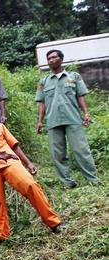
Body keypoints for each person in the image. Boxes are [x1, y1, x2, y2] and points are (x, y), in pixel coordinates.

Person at [0, 105, 64, 243]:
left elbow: (15, 146)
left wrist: (28, 163)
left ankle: (54, 222)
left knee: (30, 185)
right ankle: (3, 236)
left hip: (9, 163)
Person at [35, 49, 100, 188]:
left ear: (61, 59)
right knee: (57, 154)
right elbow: (42, 103)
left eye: (54, 57)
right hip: (53, 121)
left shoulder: (74, 77)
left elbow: (80, 96)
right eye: (49, 59)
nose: (51, 60)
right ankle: (67, 182)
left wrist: (86, 113)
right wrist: (40, 121)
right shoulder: (43, 82)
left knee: (81, 150)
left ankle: (93, 180)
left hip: (73, 119)